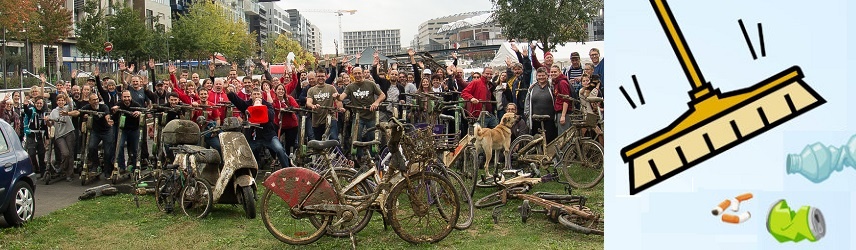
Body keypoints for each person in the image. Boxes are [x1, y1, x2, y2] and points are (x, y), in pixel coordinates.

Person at [227, 87, 292, 169]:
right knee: (245, 152)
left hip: (268, 136)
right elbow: (237, 101)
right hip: (254, 138)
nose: (256, 96)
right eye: (254, 94)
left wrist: (260, 107)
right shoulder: (247, 105)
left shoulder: (267, 105)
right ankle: (248, 171)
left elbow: (271, 116)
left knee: (279, 149)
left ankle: (287, 169)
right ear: (251, 96)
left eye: (258, 94)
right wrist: (229, 93)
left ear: (261, 96)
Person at [337, 66, 385, 158]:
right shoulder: (350, 87)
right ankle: (359, 158)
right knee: (355, 137)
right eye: (355, 73)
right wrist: (337, 96)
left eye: (359, 73)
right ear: (352, 75)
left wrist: (376, 102)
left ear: (363, 73)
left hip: (371, 115)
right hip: (358, 116)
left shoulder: (370, 84)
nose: (357, 75)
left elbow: (382, 95)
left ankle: (373, 158)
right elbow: (341, 97)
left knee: (372, 137)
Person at [68, 93, 114, 177]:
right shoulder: (87, 108)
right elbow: (78, 112)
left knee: (108, 152)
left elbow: (107, 115)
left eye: (97, 99)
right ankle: (95, 165)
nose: (96, 101)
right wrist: (68, 113)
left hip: (106, 131)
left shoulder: (103, 107)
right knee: (91, 147)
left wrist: (108, 120)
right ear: (89, 101)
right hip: (95, 132)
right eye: (94, 100)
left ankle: (108, 170)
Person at [524, 67, 559, 143]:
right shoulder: (532, 88)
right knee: (537, 141)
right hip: (535, 119)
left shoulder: (551, 87)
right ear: (536, 77)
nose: (541, 77)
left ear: (547, 76)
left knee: (550, 141)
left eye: (543, 75)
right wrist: (527, 114)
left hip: (549, 119)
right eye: (539, 76)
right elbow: (527, 102)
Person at [112, 90, 143, 173]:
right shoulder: (119, 105)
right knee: (120, 146)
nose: (127, 98)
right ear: (122, 97)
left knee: (135, 149)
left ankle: (135, 166)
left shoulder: (136, 105)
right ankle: (121, 166)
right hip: (123, 130)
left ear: (131, 97)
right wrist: (114, 111)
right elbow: (113, 117)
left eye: (128, 97)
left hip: (134, 130)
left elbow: (144, 111)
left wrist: (139, 112)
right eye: (125, 97)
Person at [306, 71, 342, 141]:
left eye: (322, 76)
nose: (320, 78)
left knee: (334, 139)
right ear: (316, 77)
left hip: (330, 117)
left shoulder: (331, 88)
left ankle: (337, 152)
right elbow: (308, 102)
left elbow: (337, 100)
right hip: (317, 120)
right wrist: (313, 106)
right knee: (319, 142)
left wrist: (340, 108)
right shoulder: (311, 90)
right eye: (319, 76)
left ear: (325, 77)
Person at [50, 94, 76, 181]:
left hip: (69, 132)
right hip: (59, 134)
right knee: (65, 153)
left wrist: (66, 94)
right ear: (56, 102)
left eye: (62, 100)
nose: (61, 102)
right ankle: (62, 168)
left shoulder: (67, 108)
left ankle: (69, 174)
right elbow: (51, 122)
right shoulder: (54, 111)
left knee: (71, 153)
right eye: (59, 100)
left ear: (64, 101)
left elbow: (71, 104)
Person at [23, 97, 48, 177]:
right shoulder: (32, 111)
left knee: (41, 154)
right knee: (31, 154)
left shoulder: (44, 113)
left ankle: (43, 172)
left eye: (41, 103)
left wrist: (47, 138)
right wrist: (25, 105)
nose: (39, 105)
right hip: (31, 136)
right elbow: (26, 111)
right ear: (35, 104)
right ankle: (33, 170)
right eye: (37, 103)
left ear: (43, 104)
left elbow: (45, 127)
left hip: (40, 136)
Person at [273, 84, 299, 156]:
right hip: (279, 124)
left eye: (282, 89)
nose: (281, 91)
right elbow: (272, 107)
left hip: (291, 125)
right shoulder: (274, 101)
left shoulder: (289, 99)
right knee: (273, 141)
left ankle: (288, 162)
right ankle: (276, 157)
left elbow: (296, 107)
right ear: (275, 91)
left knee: (289, 145)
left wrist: (289, 108)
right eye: (279, 89)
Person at [551, 65, 572, 135]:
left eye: (555, 72)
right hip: (559, 112)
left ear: (559, 72)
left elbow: (566, 99)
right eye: (551, 72)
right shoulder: (556, 82)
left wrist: (563, 115)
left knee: (564, 136)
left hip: (564, 112)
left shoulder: (562, 82)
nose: (553, 73)